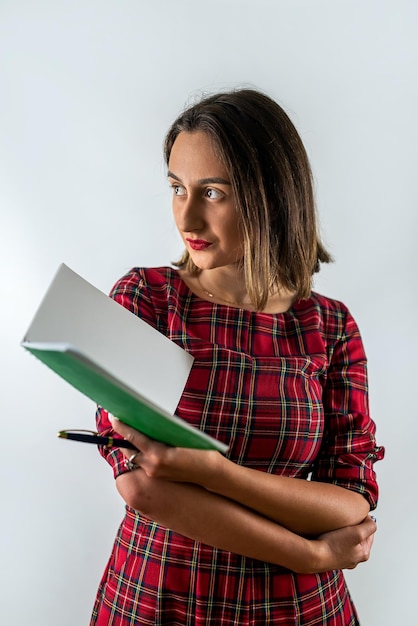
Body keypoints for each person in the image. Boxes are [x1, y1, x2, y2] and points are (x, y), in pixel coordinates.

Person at [90, 88, 384, 625]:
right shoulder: (145, 300)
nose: (189, 217)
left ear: (272, 195)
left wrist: (215, 474)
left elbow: (351, 501)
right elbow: (141, 486)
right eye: (177, 188)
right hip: (159, 602)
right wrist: (313, 554)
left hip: (297, 612)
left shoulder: (332, 326)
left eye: (214, 193)